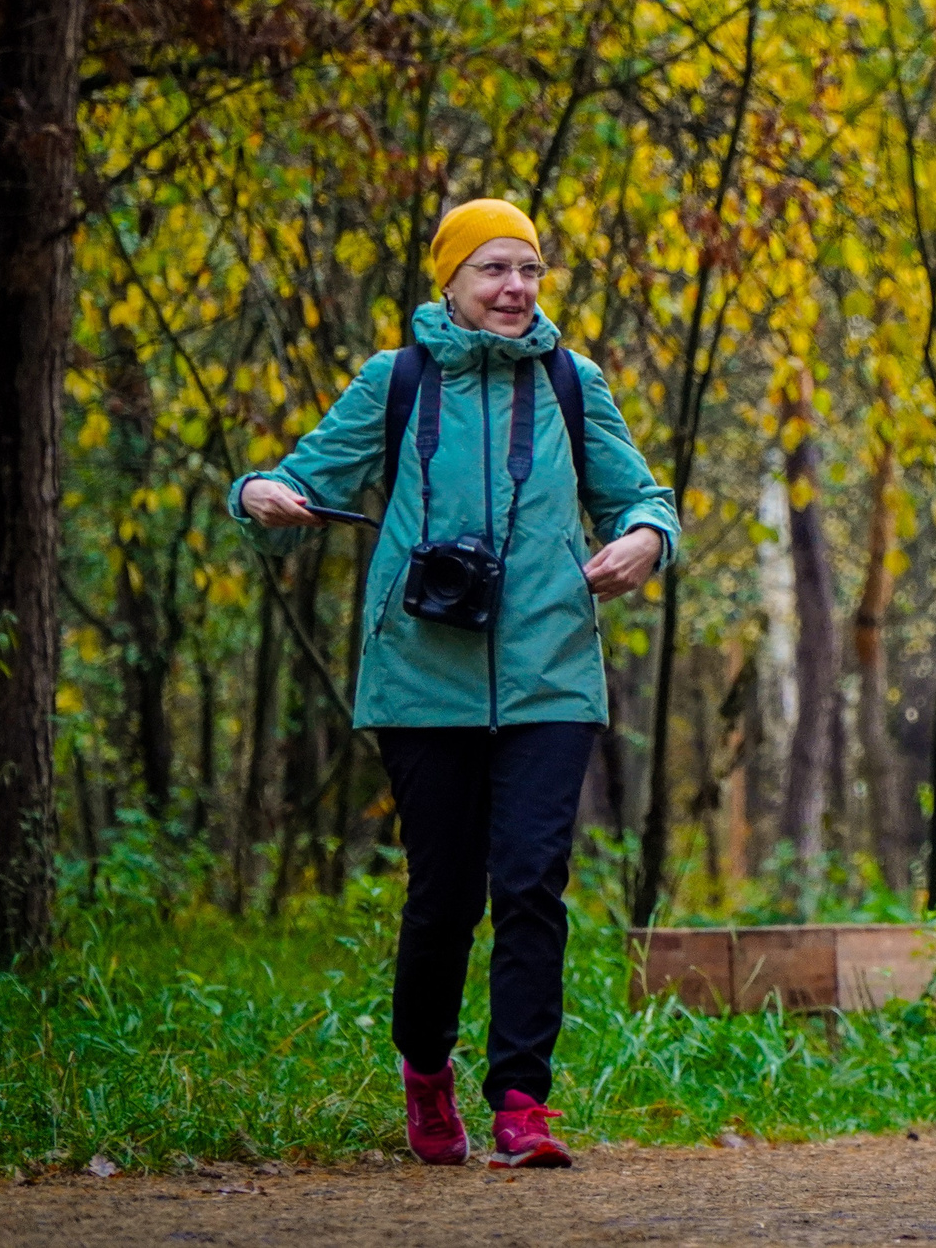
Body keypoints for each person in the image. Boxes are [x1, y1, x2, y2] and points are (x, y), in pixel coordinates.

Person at [232, 199, 679, 1170]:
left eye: (528, 270)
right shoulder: (395, 381)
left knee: (531, 883)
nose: (515, 288)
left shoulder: (571, 382)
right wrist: (257, 494)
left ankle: (523, 1103)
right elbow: (300, 477)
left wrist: (646, 538)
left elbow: (640, 494)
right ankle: (425, 1075)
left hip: (550, 671)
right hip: (420, 676)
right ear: (450, 281)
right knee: (443, 896)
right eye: (494, 270)